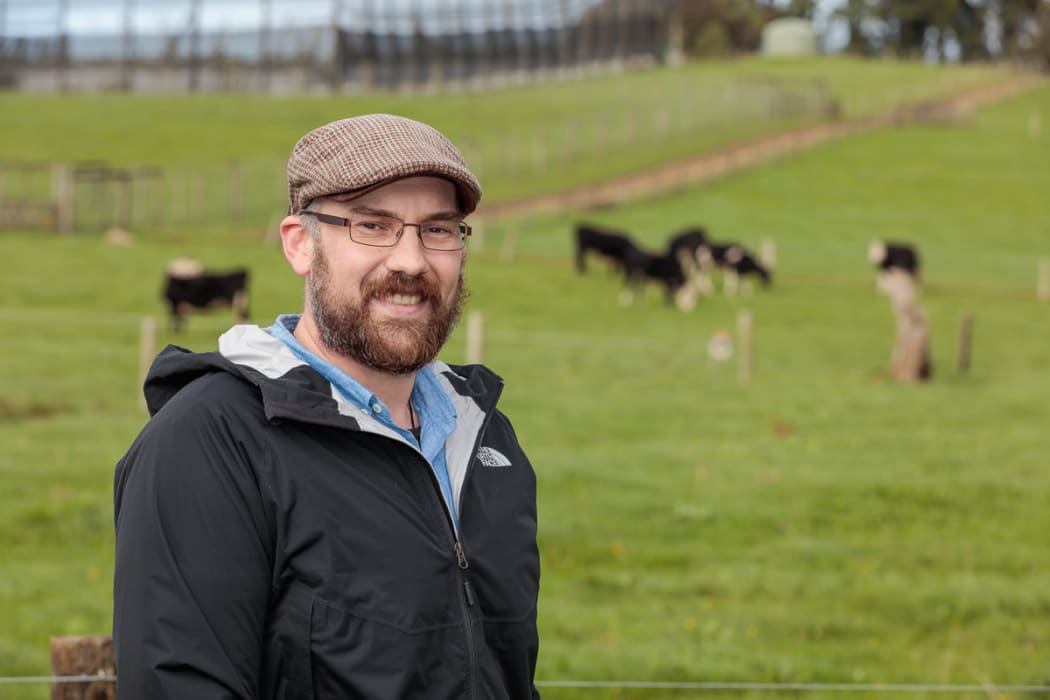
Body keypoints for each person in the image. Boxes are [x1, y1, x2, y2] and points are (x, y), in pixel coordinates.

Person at [113, 114, 541, 699]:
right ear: (300, 244)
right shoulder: (212, 442)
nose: (411, 261)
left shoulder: (485, 441)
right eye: (373, 225)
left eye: (438, 229)